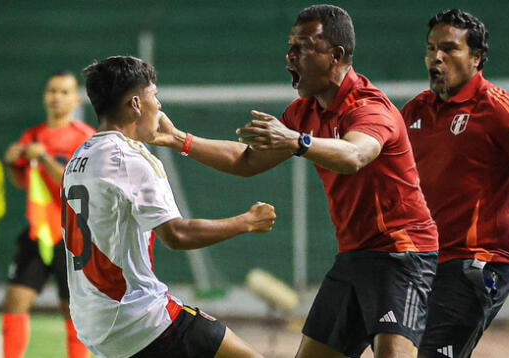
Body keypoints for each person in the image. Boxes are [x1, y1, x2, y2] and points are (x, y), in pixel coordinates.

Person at [150, 5, 439, 358]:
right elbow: (248, 161)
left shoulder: (370, 107)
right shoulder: (303, 113)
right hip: (354, 256)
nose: (291, 57)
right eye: (290, 47)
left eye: (302, 47)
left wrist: (296, 141)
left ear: (336, 55)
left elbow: (354, 156)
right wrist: (180, 139)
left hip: (402, 254)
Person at [62, 55, 275, 358]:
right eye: (154, 96)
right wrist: (247, 222)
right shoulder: (131, 159)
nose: (159, 106)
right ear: (136, 104)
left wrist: (178, 140)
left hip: (92, 320)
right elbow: (178, 235)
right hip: (136, 317)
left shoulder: (80, 156)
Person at [400, 9, 509, 358]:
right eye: (431, 48)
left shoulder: (500, 109)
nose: (437, 57)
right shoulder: (415, 111)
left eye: (449, 49)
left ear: (476, 58)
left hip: (475, 263)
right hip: (421, 262)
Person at [2, 71, 95, 358]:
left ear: (76, 99)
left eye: (64, 92)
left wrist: (43, 157)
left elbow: (72, 183)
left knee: (72, 311)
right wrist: (11, 163)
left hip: (72, 238)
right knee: (15, 300)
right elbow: (24, 182)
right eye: (52, 91)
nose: (57, 97)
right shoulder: (33, 134)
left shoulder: (85, 138)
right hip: (37, 233)